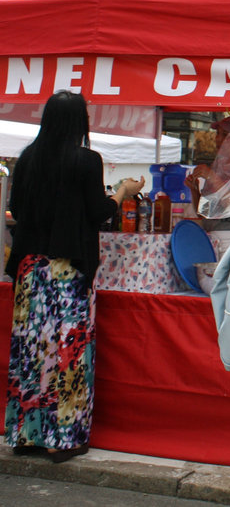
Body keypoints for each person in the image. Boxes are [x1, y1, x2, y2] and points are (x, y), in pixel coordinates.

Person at [4, 91, 145, 463]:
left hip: (30, 269)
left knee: (31, 349)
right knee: (67, 352)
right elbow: (98, 212)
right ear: (80, 122)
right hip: (66, 270)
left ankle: (24, 432)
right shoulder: (86, 160)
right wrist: (123, 192)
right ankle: (60, 438)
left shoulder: (28, 158)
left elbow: (16, 209)